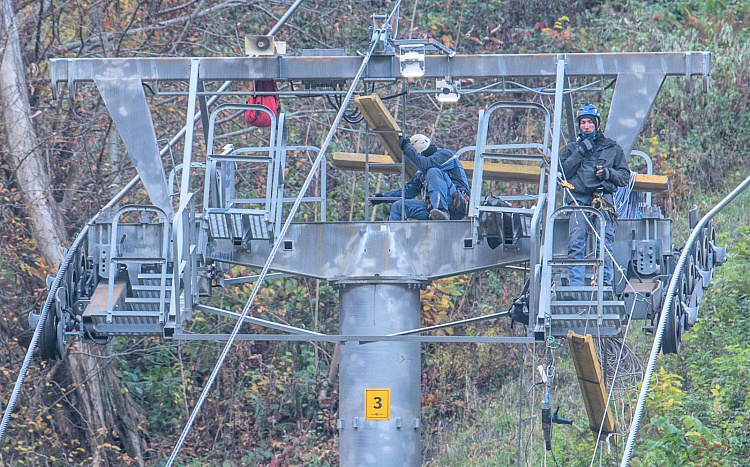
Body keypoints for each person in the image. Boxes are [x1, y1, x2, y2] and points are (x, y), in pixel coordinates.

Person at [559, 104, 630, 287]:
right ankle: (575, 285)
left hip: (603, 199)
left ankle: (604, 284)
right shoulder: (571, 149)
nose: (586, 126)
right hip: (578, 198)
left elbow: (624, 177)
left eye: (590, 122)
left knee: (604, 243)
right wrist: (580, 151)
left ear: (597, 124)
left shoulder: (612, 148)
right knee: (576, 241)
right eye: (583, 122)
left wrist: (607, 173)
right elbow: (561, 172)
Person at [369, 134, 470, 221]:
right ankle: (394, 240)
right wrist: (382, 197)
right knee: (399, 206)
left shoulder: (445, 155)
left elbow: (426, 164)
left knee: (433, 171)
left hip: (458, 203)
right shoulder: (423, 172)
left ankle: (441, 212)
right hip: (434, 209)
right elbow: (409, 191)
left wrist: (407, 148)